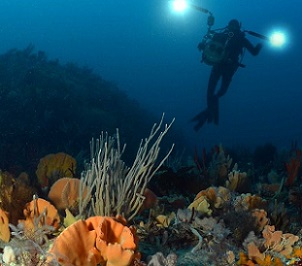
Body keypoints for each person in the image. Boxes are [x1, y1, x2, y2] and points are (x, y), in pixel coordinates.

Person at [192, 19, 263, 131]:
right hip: (228, 69)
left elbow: (205, 45)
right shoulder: (240, 38)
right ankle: (208, 115)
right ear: (238, 27)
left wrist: (202, 45)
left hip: (219, 67)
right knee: (220, 92)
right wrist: (260, 44)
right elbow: (254, 52)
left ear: (228, 26)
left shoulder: (222, 35)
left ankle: (208, 114)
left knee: (211, 92)